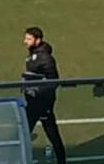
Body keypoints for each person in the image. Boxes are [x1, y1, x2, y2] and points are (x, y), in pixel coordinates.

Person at [22, 27, 67, 164]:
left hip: (43, 102)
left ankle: (61, 160)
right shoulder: (33, 54)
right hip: (33, 100)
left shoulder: (45, 58)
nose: (25, 41)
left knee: (51, 133)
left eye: (29, 39)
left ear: (38, 40)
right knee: (24, 130)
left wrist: (38, 91)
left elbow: (53, 81)